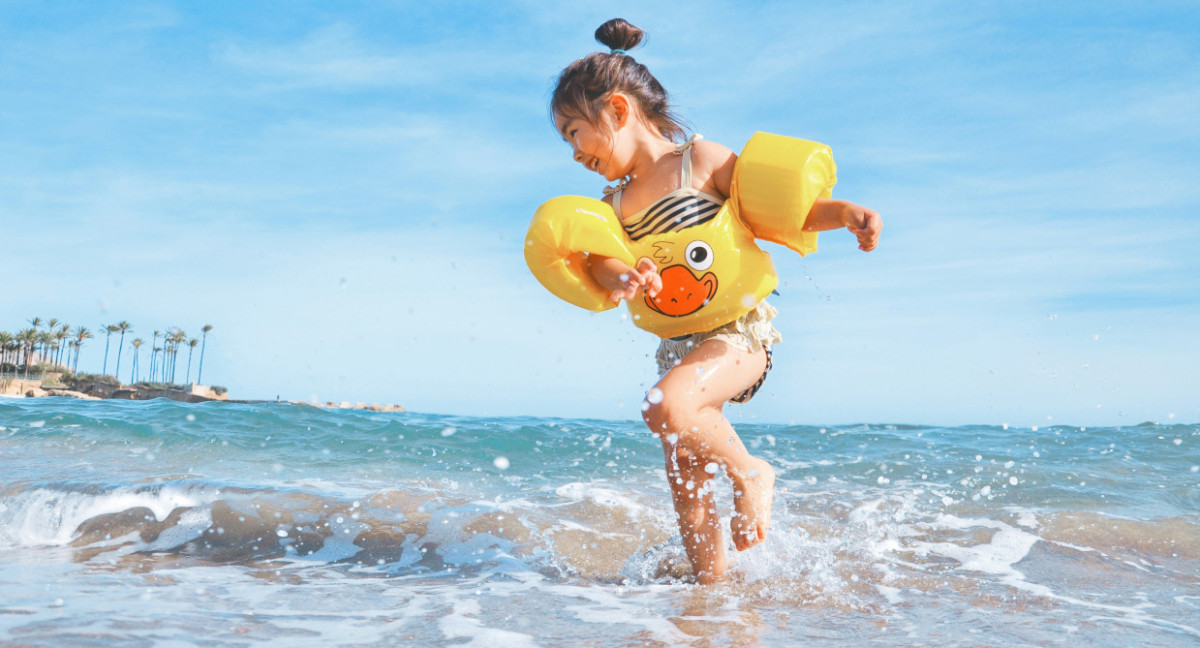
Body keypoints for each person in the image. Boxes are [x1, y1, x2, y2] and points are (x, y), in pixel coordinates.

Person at [549, 18, 882, 584]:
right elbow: (602, 262)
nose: (574, 152)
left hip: (739, 335)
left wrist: (844, 212)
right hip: (676, 348)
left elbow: (780, 211)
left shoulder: (699, 162)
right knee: (686, 482)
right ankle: (710, 601)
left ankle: (752, 474)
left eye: (574, 132)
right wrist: (625, 275)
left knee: (664, 408)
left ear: (618, 110)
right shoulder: (614, 202)